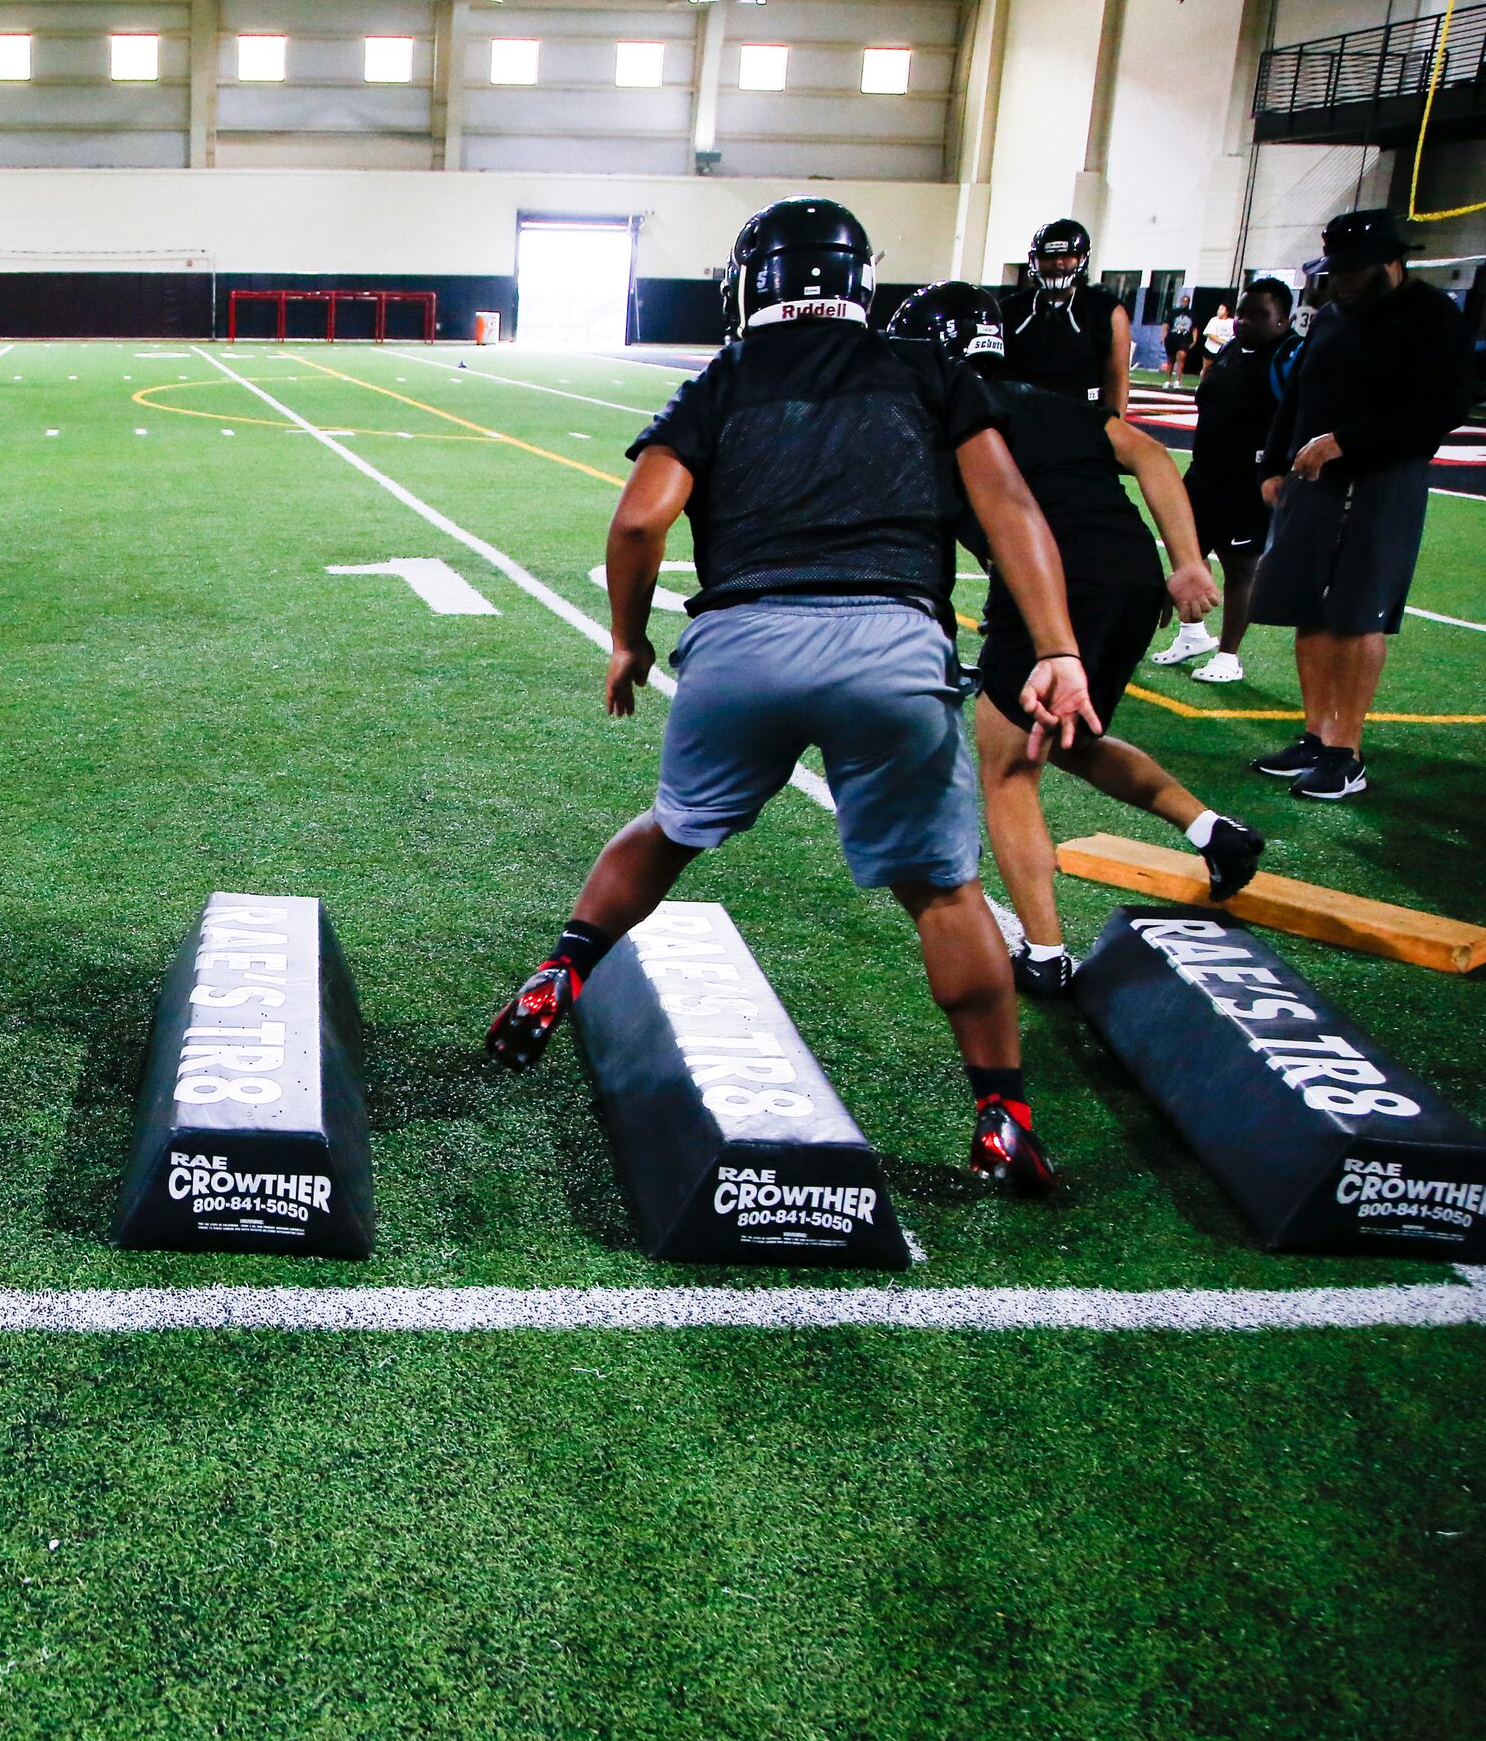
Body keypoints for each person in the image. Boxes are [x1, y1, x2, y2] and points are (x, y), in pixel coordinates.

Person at [483, 198, 1096, 1193]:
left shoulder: (725, 379)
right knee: (944, 892)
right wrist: (1058, 647)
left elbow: (641, 523)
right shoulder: (927, 372)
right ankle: (1003, 1119)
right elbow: (1010, 505)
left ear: (747, 283)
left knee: (672, 829)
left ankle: (563, 970)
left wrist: (630, 642)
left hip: (742, 648)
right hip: (893, 647)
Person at [893, 282, 1266, 998]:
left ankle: (1043, 952)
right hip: (1127, 577)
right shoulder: (1054, 404)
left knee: (1008, 771)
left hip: (1056, 588)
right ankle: (1211, 830)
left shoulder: (945, 430)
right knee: (1067, 739)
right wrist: (1182, 560)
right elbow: (1153, 458)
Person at [1245, 207, 1472, 803]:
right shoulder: (1332, 318)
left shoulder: (1433, 319)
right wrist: (1272, 464)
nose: (1340, 281)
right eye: (1336, 270)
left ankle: (1347, 751)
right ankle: (1317, 737)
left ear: (1392, 263)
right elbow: (1298, 394)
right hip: (1311, 482)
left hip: (1382, 480)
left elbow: (1442, 410)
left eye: (1353, 270)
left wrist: (1347, 442)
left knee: (1358, 612)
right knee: (1308, 610)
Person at [1151, 278, 1302, 683]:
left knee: (1240, 568)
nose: (1245, 322)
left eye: (1258, 315)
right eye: (1242, 313)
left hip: (1245, 480)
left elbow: (1301, 417)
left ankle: (1229, 655)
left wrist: (1279, 470)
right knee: (1186, 554)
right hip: (1204, 472)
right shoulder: (1234, 349)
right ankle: (1193, 635)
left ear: (1283, 319)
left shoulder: (1290, 356)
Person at [996, 218, 1130, 414]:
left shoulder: (1106, 310)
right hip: (1020, 417)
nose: (1058, 263)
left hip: (1081, 419)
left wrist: (1114, 427)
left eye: (1066, 256)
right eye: (1049, 256)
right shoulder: (1010, 309)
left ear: (1081, 258)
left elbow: (1117, 378)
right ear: (1036, 260)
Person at [1161, 295, 1202, 389]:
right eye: (1183, 301)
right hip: (1172, 337)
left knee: (1181, 357)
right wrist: (1163, 336)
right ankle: (1168, 380)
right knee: (1171, 360)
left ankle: (1178, 380)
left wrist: (1194, 340)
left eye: (1186, 301)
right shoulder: (1173, 312)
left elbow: (1195, 328)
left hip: (1184, 338)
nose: (1184, 303)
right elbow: (1166, 324)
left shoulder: (1192, 314)